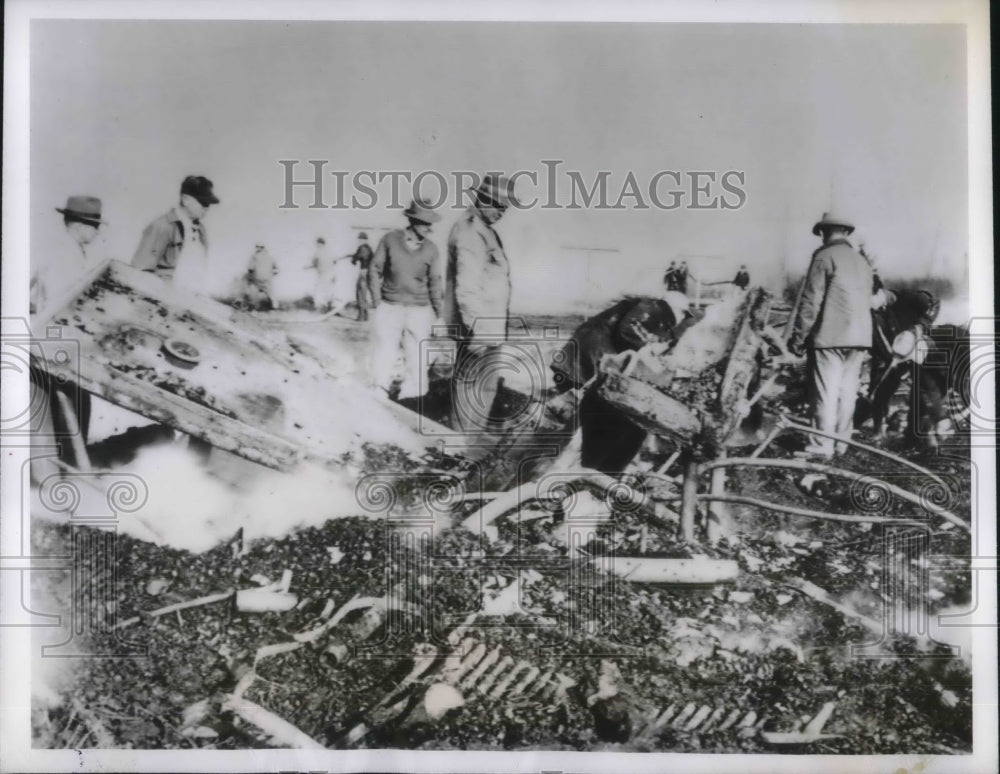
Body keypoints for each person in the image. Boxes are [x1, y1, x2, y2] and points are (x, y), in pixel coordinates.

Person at [551, 295, 686, 474]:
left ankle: (567, 449)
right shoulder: (652, 307)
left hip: (592, 346)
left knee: (585, 405)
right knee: (592, 401)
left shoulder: (651, 307)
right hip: (594, 347)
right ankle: (567, 455)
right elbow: (627, 331)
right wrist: (645, 348)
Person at [29, 196, 106, 482]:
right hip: (58, 343)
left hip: (54, 341)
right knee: (72, 409)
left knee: (70, 408)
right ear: (79, 225)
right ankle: (66, 479)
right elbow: (67, 306)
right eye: (94, 225)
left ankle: (62, 476)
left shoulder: (69, 251)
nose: (97, 232)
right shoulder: (65, 256)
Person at [788, 211, 873, 458]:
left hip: (830, 337)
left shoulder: (824, 257)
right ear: (846, 232)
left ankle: (820, 446)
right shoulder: (862, 262)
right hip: (859, 337)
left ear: (824, 232)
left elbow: (811, 300)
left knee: (825, 392)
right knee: (848, 392)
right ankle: (841, 443)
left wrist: (798, 338)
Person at [444, 174, 517, 434]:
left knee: (484, 389)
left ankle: (466, 447)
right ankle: (458, 451)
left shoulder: (484, 231)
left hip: (490, 330)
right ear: (483, 198)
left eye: (505, 207)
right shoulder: (471, 232)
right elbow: (467, 288)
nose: (502, 211)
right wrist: (476, 330)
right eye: (498, 205)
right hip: (479, 330)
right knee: (470, 390)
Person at [368, 198, 444, 401]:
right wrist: (377, 301)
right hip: (390, 306)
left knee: (419, 354)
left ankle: (412, 397)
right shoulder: (390, 240)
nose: (429, 228)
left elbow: (435, 282)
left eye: (431, 224)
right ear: (412, 220)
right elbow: (374, 270)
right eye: (425, 223)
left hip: (420, 309)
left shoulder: (432, 249)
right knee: (385, 348)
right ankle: (379, 391)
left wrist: (439, 315)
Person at [863, 287, 940, 437]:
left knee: (923, 387)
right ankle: (879, 429)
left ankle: (921, 432)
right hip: (893, 354)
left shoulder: (911, 299)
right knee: (880, 390)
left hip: (911, 347)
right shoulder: (873, 316)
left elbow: (933, 302)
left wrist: (921, 326)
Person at [132, 175, 219, 291]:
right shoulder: (163, 226)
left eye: (208, 204)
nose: (206, 208)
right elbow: (139, 273)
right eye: (203, 202)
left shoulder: (201, 232)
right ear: (185, 200)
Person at [238, 244, 279, 311]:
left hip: (257, 278)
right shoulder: (271, 256)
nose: (256, 248)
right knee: (271, 293)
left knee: (248, 284)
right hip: (268, 279)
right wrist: (271, 275)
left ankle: (250, 305)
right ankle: (275, 307)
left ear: (260, 248)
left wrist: (250, 276)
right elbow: (276, 270)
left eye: (257, 247)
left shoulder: (254, 256)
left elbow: (250, 268)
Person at [351, 232, 375, 321]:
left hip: (364, 272)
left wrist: (354, 258)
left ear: (365, 240)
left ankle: (361, 316)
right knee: (363, 295)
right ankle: (365, 316)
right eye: (359, 239)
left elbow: (357, 258)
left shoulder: (363, 248)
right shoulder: (368, 248)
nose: (359, 241)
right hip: (367, 273)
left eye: (361, 239)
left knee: (360, 294)